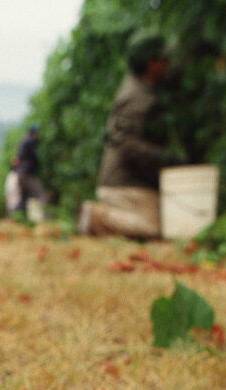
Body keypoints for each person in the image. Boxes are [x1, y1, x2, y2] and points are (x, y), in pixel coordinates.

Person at [78, 33, 184, 239]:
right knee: (155, 228)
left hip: (135, 182)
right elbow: (126, 144)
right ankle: (97, 216)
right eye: (164, 60)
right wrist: (163, 157)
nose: (168, 64)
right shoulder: (136, 97)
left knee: (173, 222)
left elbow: (173, 78)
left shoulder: (145, 86)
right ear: (151, 64)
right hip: (124, 184)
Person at [16, 124, 48, 220]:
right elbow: (35, 142)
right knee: (42, 194)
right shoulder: (30, 141)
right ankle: (45, 218)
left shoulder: (22, 141)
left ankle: (19, 218)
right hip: (27, 174)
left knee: (23, 198)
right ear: (34, 133)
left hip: (20, 174)